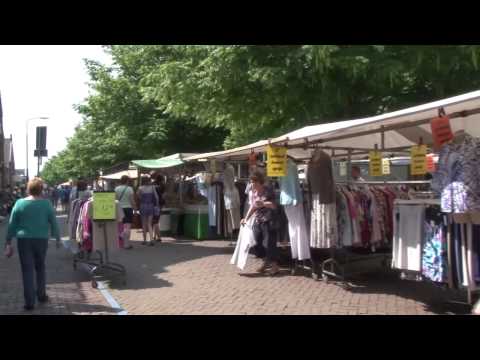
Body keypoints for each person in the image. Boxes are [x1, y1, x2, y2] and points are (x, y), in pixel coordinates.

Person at [4, 177, 60, 311]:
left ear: (28, 189)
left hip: (24, 240)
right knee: (40, 267)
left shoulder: (19, 203)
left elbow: (12, 223)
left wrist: (8, 241)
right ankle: (41, 295)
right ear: (41, 190)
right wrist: (57, 238)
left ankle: (29, 302)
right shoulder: (46, 204)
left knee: (27, 270)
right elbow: (53, 222)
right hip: (41, 239)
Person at [240, 171, 280, 276]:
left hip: (269, 220)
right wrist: (246, 218)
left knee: (269, 244)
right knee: (257, 243)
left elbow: (274, 205)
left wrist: (263, 203)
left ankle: (275, 266)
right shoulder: (253, 193)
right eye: (251, 182)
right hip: (258, 220)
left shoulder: (268, 191)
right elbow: (253, 206)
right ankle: (265, 262)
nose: (252, 184)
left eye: (254, 182)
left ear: (259, 182)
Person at [137, 175, 160, 246]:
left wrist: (142, 199)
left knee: (144, 224)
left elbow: (138, 196)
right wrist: (157, 205)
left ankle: (144, 240)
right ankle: (151, 239)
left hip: (143, 206)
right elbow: (156, 197)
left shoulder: (140, 188)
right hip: (151, 206)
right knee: (150, 224)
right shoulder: (152, 187)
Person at [115, 175, 135, 250]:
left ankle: (121, 240)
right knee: (128, 226)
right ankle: (127, 244)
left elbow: (115, 200)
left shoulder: (116, 188)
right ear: (127, 181)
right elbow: (132, 200)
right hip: (128, 208)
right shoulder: (130, 189)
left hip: (119, 208)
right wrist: (135, 209)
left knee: (121, 225)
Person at [152, 175, 165, 242]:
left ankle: (155, 236)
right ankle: (158, 236)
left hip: (153, 204)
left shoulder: (152, 185)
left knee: (154, 220)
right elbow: (163, 196)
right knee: (156, 220)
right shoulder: (162, 186)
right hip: (159, 204)